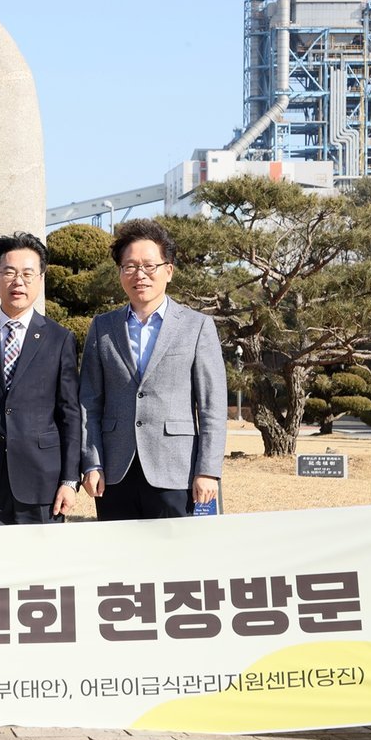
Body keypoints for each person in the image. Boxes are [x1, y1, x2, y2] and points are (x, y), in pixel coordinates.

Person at [79, 219, 227, 520]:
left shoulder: (197, 326)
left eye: (149, 266)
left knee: (176, 550)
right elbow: (88, 403)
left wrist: (208, 470)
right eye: (130, 266)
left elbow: (212, 405)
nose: (140, 275)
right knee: (119, 549)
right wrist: (92, 462)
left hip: (176, 469)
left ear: (168, 270)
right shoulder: (102, 327)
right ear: (120, 272)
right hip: (115, 471)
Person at [0, 232, 81, 526]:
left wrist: (69, 479)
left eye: (27, 274)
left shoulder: (59, 338)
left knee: (41, 556)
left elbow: (70, 413)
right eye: (9, 272)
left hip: (43, 480)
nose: (18, 282)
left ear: (41, 278)